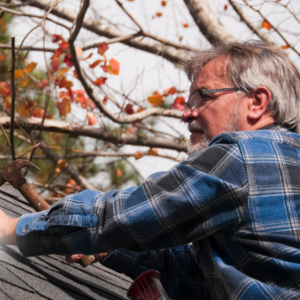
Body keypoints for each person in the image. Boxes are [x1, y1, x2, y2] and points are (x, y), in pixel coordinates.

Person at [1, 40, 300, 299]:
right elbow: (199, 275)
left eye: (203, 96)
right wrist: (112, 246)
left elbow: (127, 214)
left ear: (257, 103)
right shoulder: (282, 166)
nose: (186, 113)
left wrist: (15, 228)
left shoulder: (243, 157)